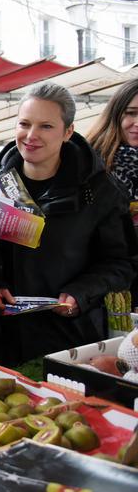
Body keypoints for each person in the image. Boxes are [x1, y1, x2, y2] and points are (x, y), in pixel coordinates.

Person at [0, 82, 137, 363]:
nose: (31, 135)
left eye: (46, 126)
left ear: (68, 132)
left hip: (67, 340)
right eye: (24, 124)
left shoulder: (100, 191)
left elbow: (121, 263)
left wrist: (80, 294)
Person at [87, 77, 138, 316]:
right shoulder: (89, 165)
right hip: (98, 296)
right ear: (116, 115)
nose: (137, 123)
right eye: (131, 113)